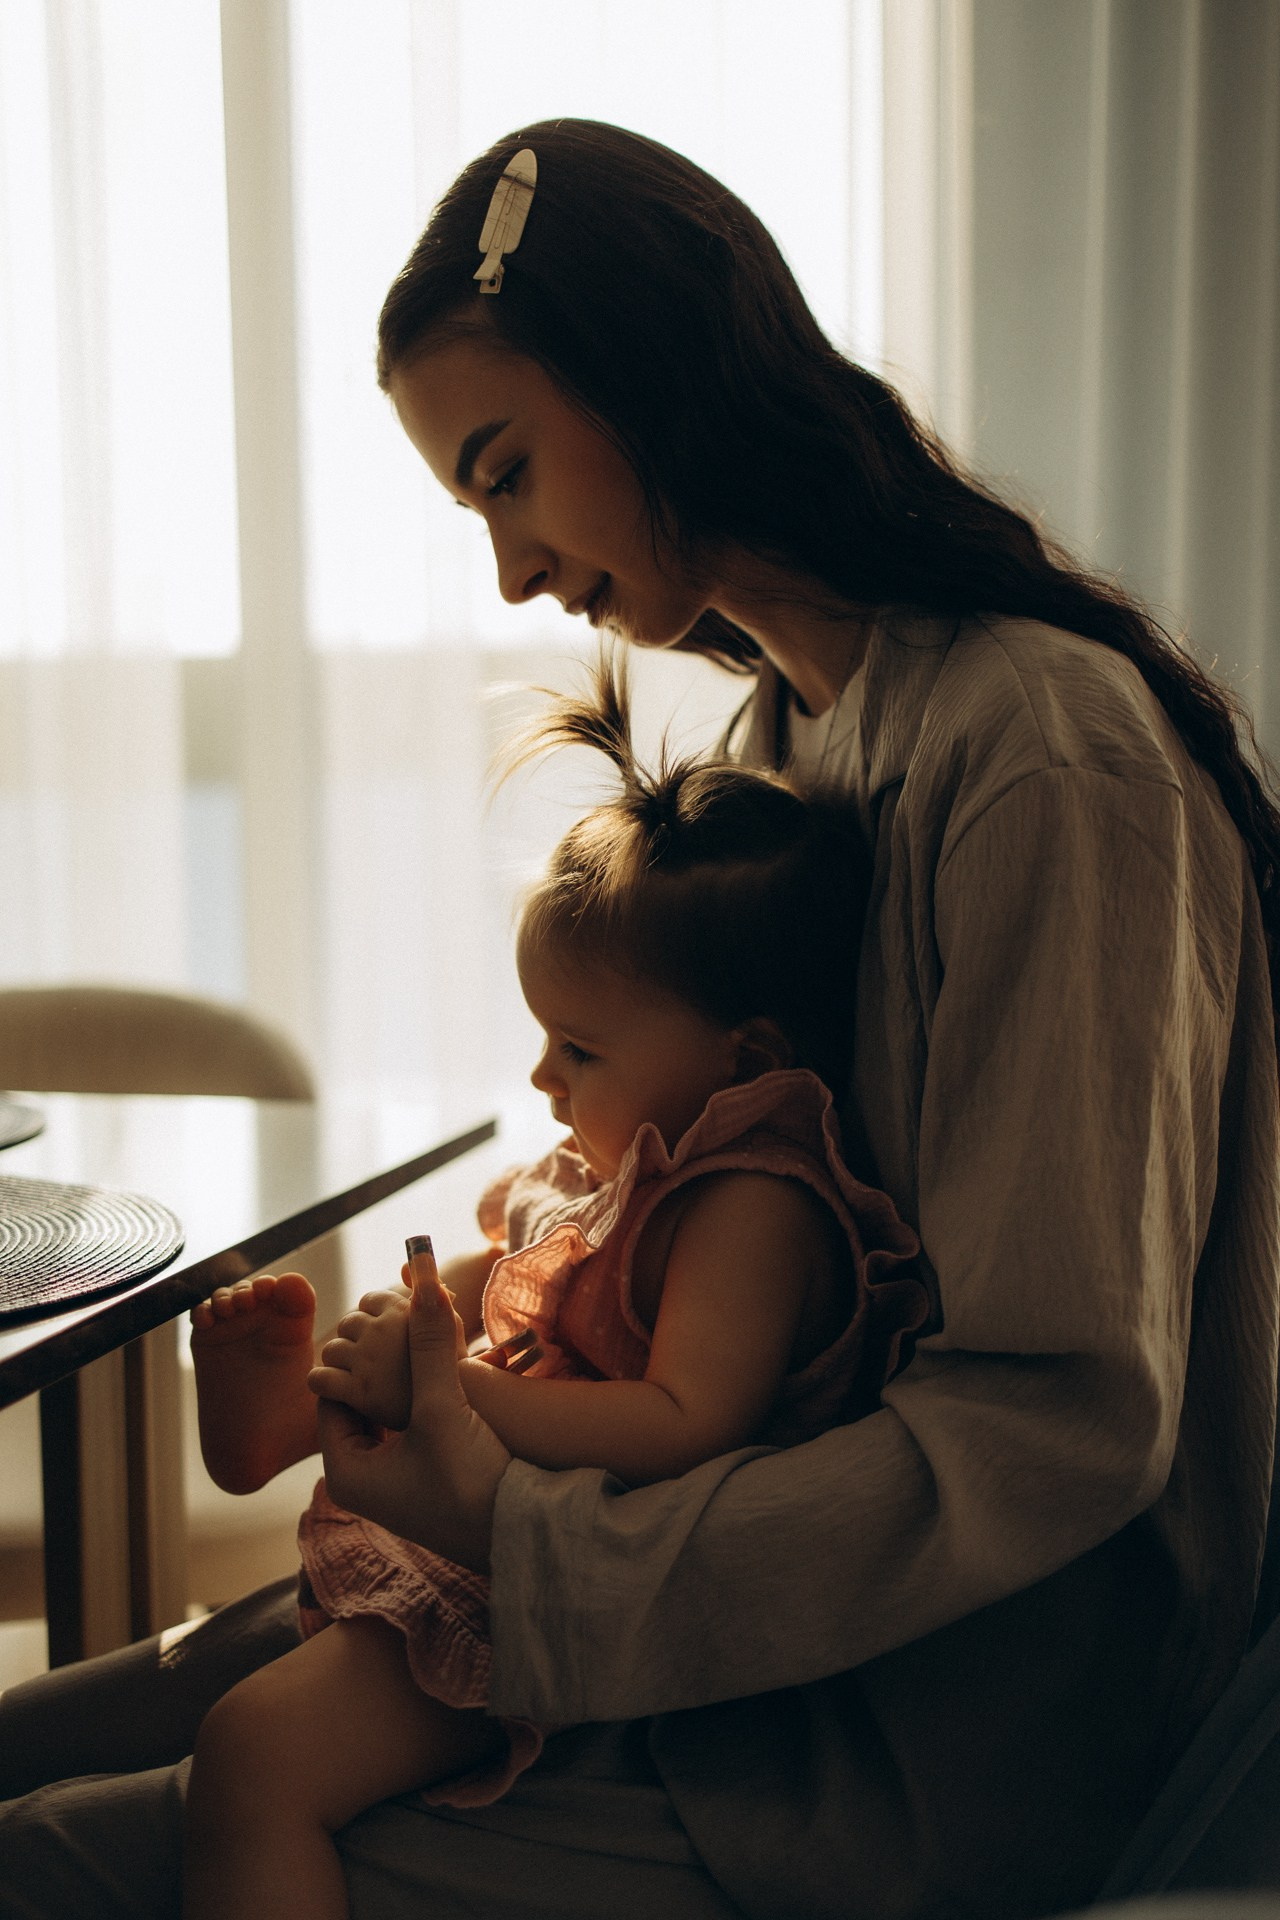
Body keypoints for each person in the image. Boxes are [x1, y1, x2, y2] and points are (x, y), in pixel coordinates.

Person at [1, 115, 1277, 1920]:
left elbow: (1054, 1424)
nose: (513, 571)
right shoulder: (800, 745)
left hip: (924, 1726)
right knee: (33, 1744)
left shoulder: (1045, 761)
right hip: (724, 1610)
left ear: (653, 377)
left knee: (65, 1860)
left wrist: (524, 1541)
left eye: (508, 474)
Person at [179, 658, 927, 1919]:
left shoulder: (753, 1201)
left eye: (577, 1048)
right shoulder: (626, 1159)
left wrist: (460, 1400)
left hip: (558, 1577)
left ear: (743, 1055)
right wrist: (419, 1335)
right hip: (483, 1511)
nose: (543, 1076)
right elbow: (523, 1280)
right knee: (230, 1712)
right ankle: (280, 1418)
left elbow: (686, 1419)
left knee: (252, 1759)